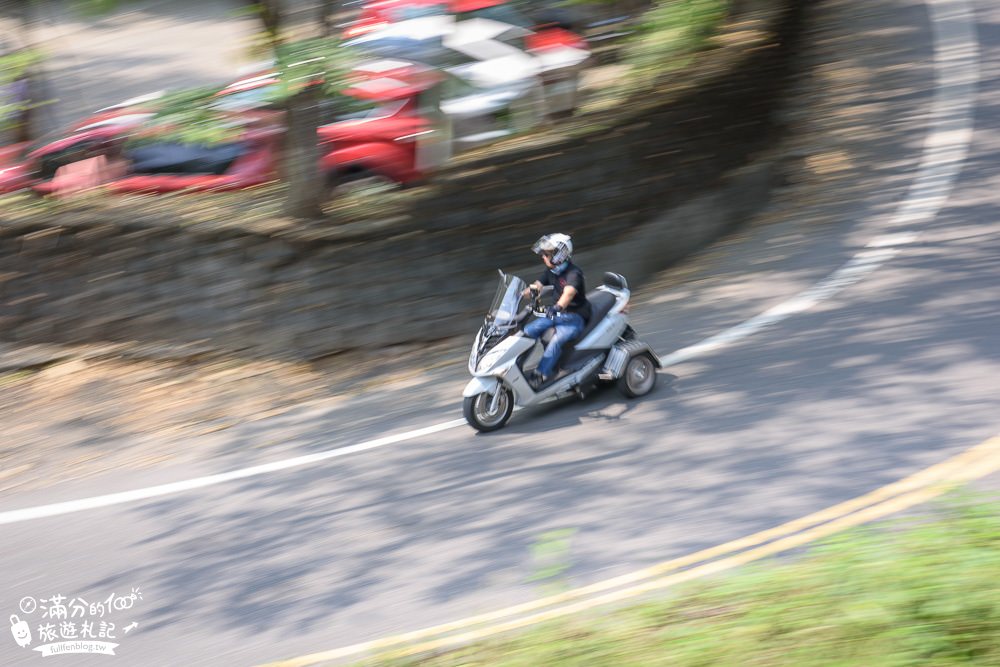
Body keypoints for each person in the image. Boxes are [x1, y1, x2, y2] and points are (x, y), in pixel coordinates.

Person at [521, 233, 592, 387]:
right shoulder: (551, 272)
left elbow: (569, 293)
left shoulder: (574, 273)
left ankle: (541, 374)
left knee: (556, 340)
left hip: (575, 317)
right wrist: (520, 295)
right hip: (557, 315)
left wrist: (557, 307)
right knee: (529, 329)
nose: (543, 257)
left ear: (559, 255)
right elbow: (537, 286)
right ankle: (516, 365)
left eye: (546, 254)